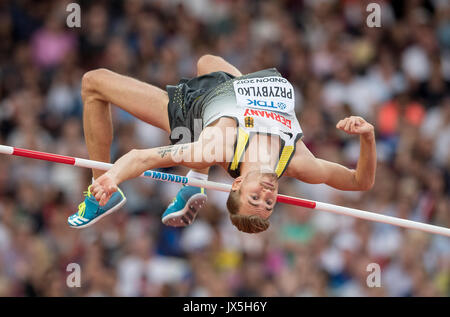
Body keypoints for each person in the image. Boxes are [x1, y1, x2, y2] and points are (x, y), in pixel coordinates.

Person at [68, 55, 377, 233]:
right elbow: (359, 181)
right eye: (269, 204)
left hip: (196, 112)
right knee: (206, 60)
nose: (267, 197)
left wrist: (110, 178)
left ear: (237, 184)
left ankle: (102, 197)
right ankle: (197, 182)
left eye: (254, 199)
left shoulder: (217, 147)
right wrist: (368, 137)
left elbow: (140, 158)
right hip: (233, 89)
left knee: (93, 83)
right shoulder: (297, 161)